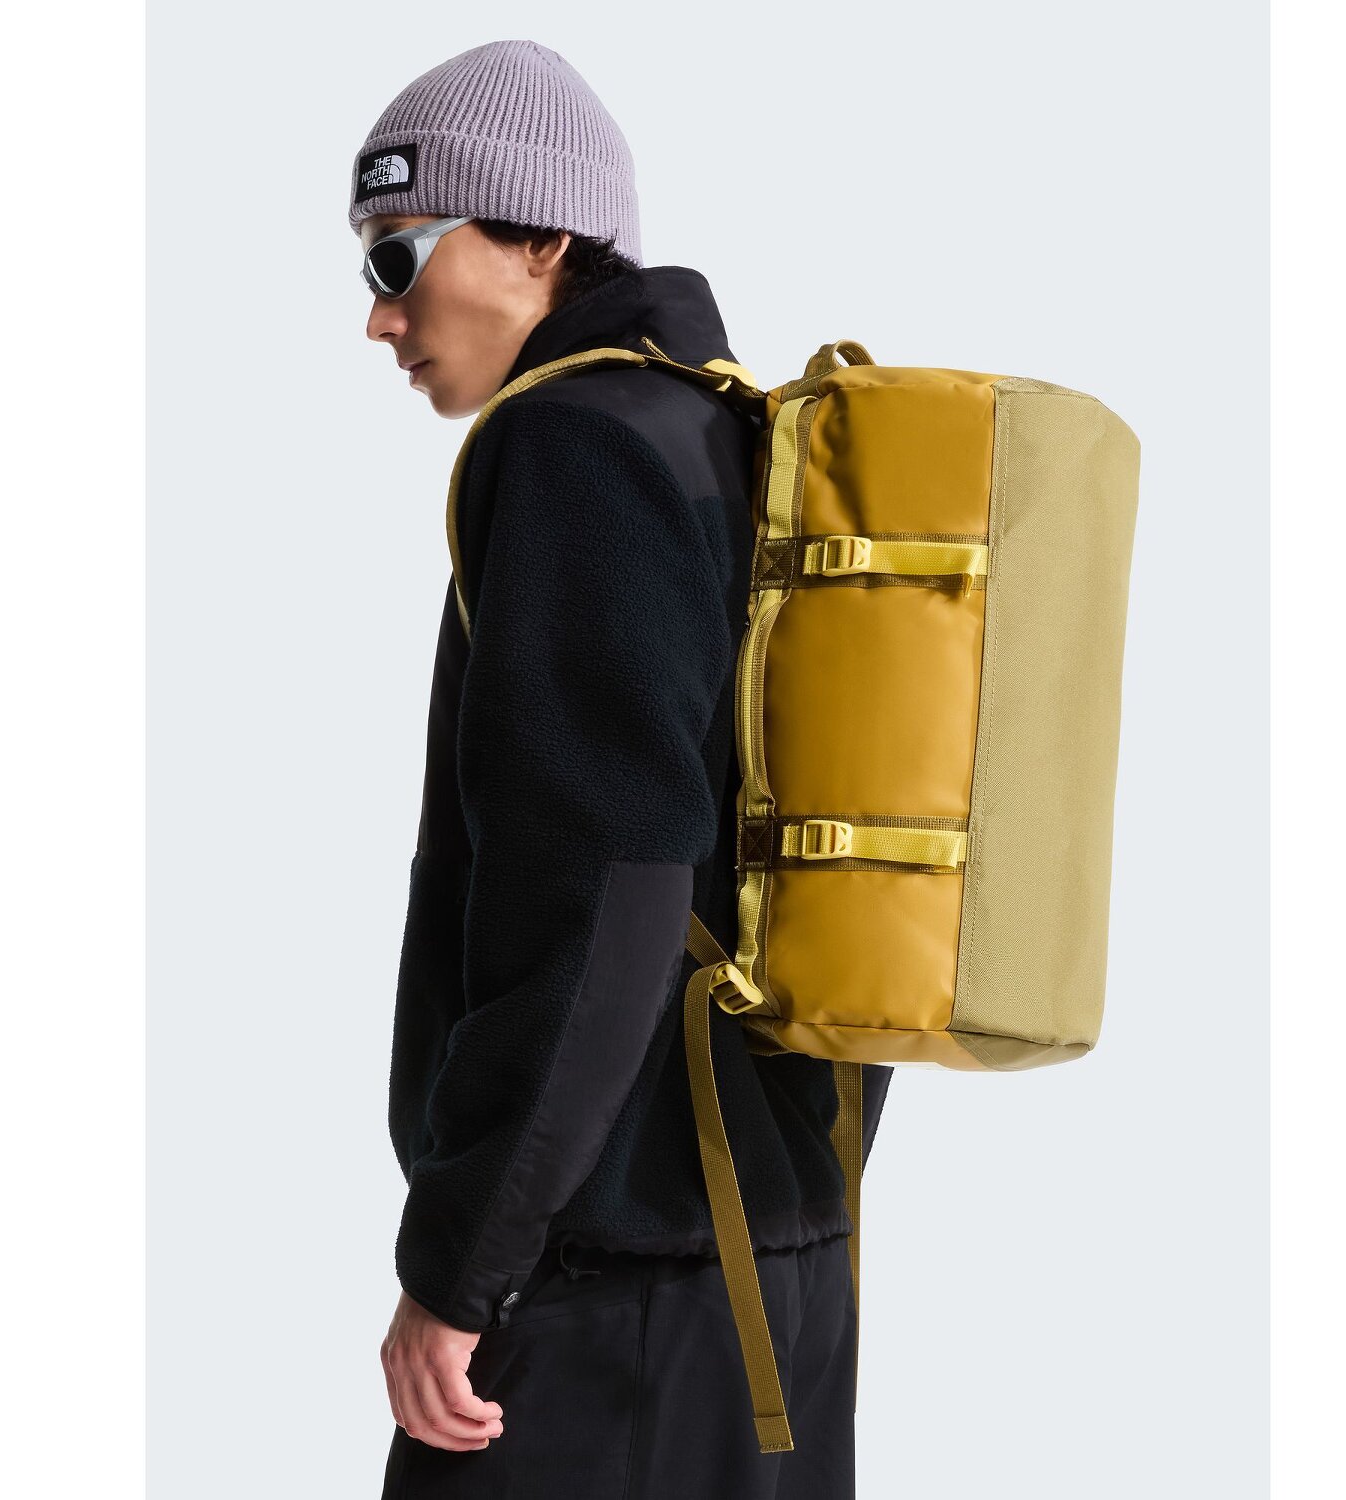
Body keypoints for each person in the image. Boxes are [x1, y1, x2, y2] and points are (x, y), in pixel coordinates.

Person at [349, 39, 893, 1499]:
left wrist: (462, 1263)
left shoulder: (573, 444)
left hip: (612, 1297)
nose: (380, 316)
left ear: (540, 238)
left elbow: (602, 890)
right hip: (779, 1268)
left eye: (400, 256)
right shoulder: (734, 436)